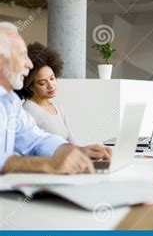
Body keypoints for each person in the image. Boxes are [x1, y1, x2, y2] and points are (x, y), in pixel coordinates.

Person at [0, 22, 110, 174]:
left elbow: (37, 140)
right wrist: (48, 165)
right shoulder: (25, 106)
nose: (29, 64)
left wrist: (76, 151)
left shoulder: (10, 102)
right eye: (21, 55)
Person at [16, 42, 77, 144]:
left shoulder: (59, 109)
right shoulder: (28, 110)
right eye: (42, 82)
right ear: (30, 86)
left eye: (52, 78)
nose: (51, 85)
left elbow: (71, 142)